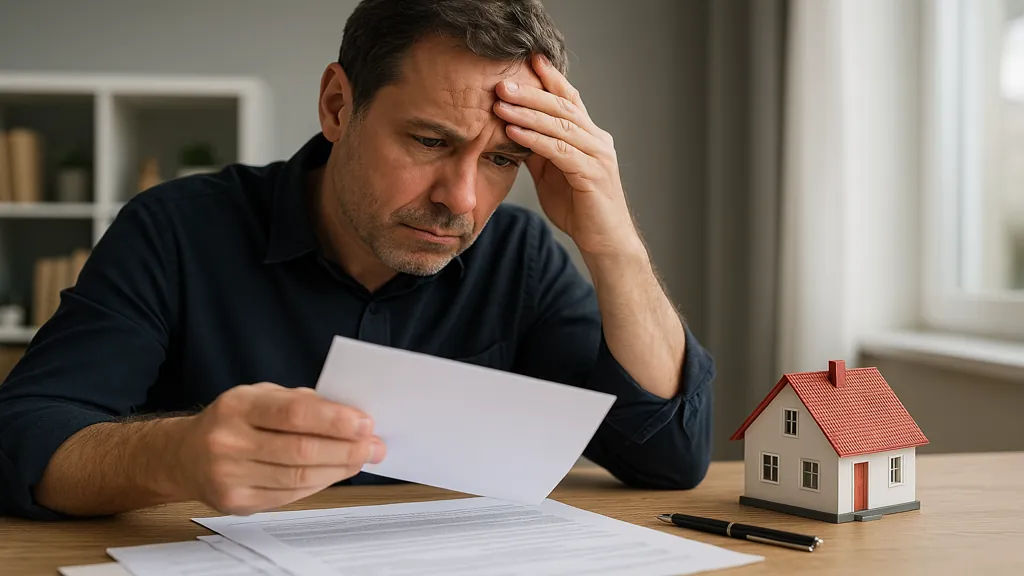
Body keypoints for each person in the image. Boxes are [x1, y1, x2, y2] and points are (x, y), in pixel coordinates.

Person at [0, 0, 714, 520]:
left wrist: (611, 238)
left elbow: (670, 457)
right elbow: (24, 436)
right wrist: (175, 455)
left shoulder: (520, 256)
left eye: (501, 159)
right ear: (338, 106)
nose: (460, 200)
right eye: (430, 141)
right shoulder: (175, 230)